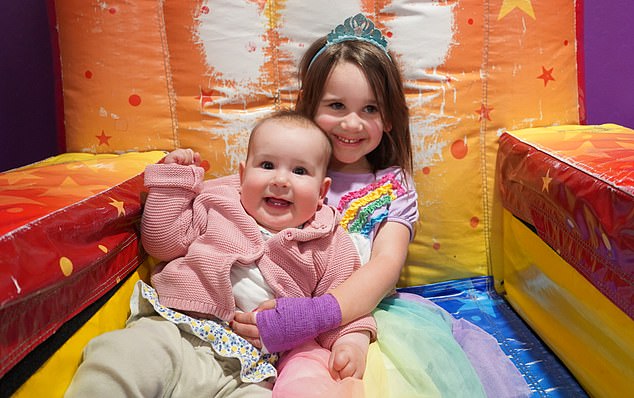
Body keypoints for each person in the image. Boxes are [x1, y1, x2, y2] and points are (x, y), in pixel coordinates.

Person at [232, 14, 532, 398]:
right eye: (337, 105)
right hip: (271, 309)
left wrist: (315, 315)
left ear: (389, 117)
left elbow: (386, 267)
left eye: (370, 109)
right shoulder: (281, 173)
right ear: (309, 107)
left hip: (364, 319)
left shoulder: (392, 185)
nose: (352, 123)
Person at [64, 110, 376, 397]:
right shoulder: (217, 200)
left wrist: (353, 342)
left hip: (248, 371)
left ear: (322, 192)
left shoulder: (329, 241)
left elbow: (343, 303)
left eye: (299, 171)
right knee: (119, 360)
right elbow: (163, 243)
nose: (280, 180)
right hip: (175, 329)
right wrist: (174, 185)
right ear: (243, 175)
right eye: (267, 165)